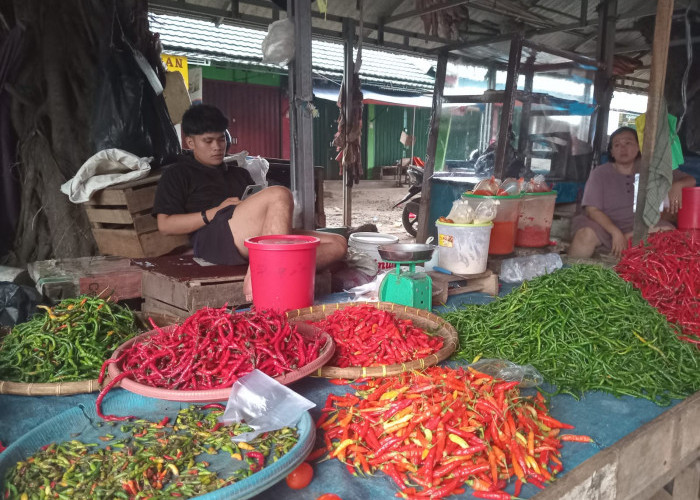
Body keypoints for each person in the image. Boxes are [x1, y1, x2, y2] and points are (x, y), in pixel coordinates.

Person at [152, 104, 347, 299]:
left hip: (255, 236)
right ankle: (260, 278)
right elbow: (165, 224)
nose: (217, 147)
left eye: (221, 139)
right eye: (208, 141)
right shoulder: (178, 174)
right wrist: (214, 211)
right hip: (214, 238)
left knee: (337, 243)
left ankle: (272, 272)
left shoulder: (239, 173)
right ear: (190, 142)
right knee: (279, 194)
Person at [568, 126, 696, 259]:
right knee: (585, 234)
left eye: (628, 143)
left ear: (638, 147)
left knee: (668, 233)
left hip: (643, 226)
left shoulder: (652, 168)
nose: (622, 148)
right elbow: (592, 210)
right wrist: (615, 232)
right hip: (605, 227)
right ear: (611, 152)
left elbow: (690, 180)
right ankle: (567, 274)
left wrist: (678, 185)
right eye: (617, 145)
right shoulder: (599, 174)